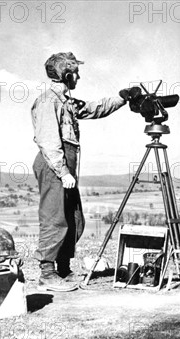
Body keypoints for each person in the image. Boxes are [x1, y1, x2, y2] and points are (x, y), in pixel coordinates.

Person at [31, 52, 129, 292]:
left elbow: (94, 109)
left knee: (74, 219)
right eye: (75, 72)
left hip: (65, 164)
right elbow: (47, 140)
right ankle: (47, 272)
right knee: (55, 217)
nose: (79, 76)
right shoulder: (48, 101)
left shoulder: (66, 102)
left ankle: (63, 268)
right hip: (54, 163)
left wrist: (122, 98)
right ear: (66, 74)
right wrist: (63, 171)